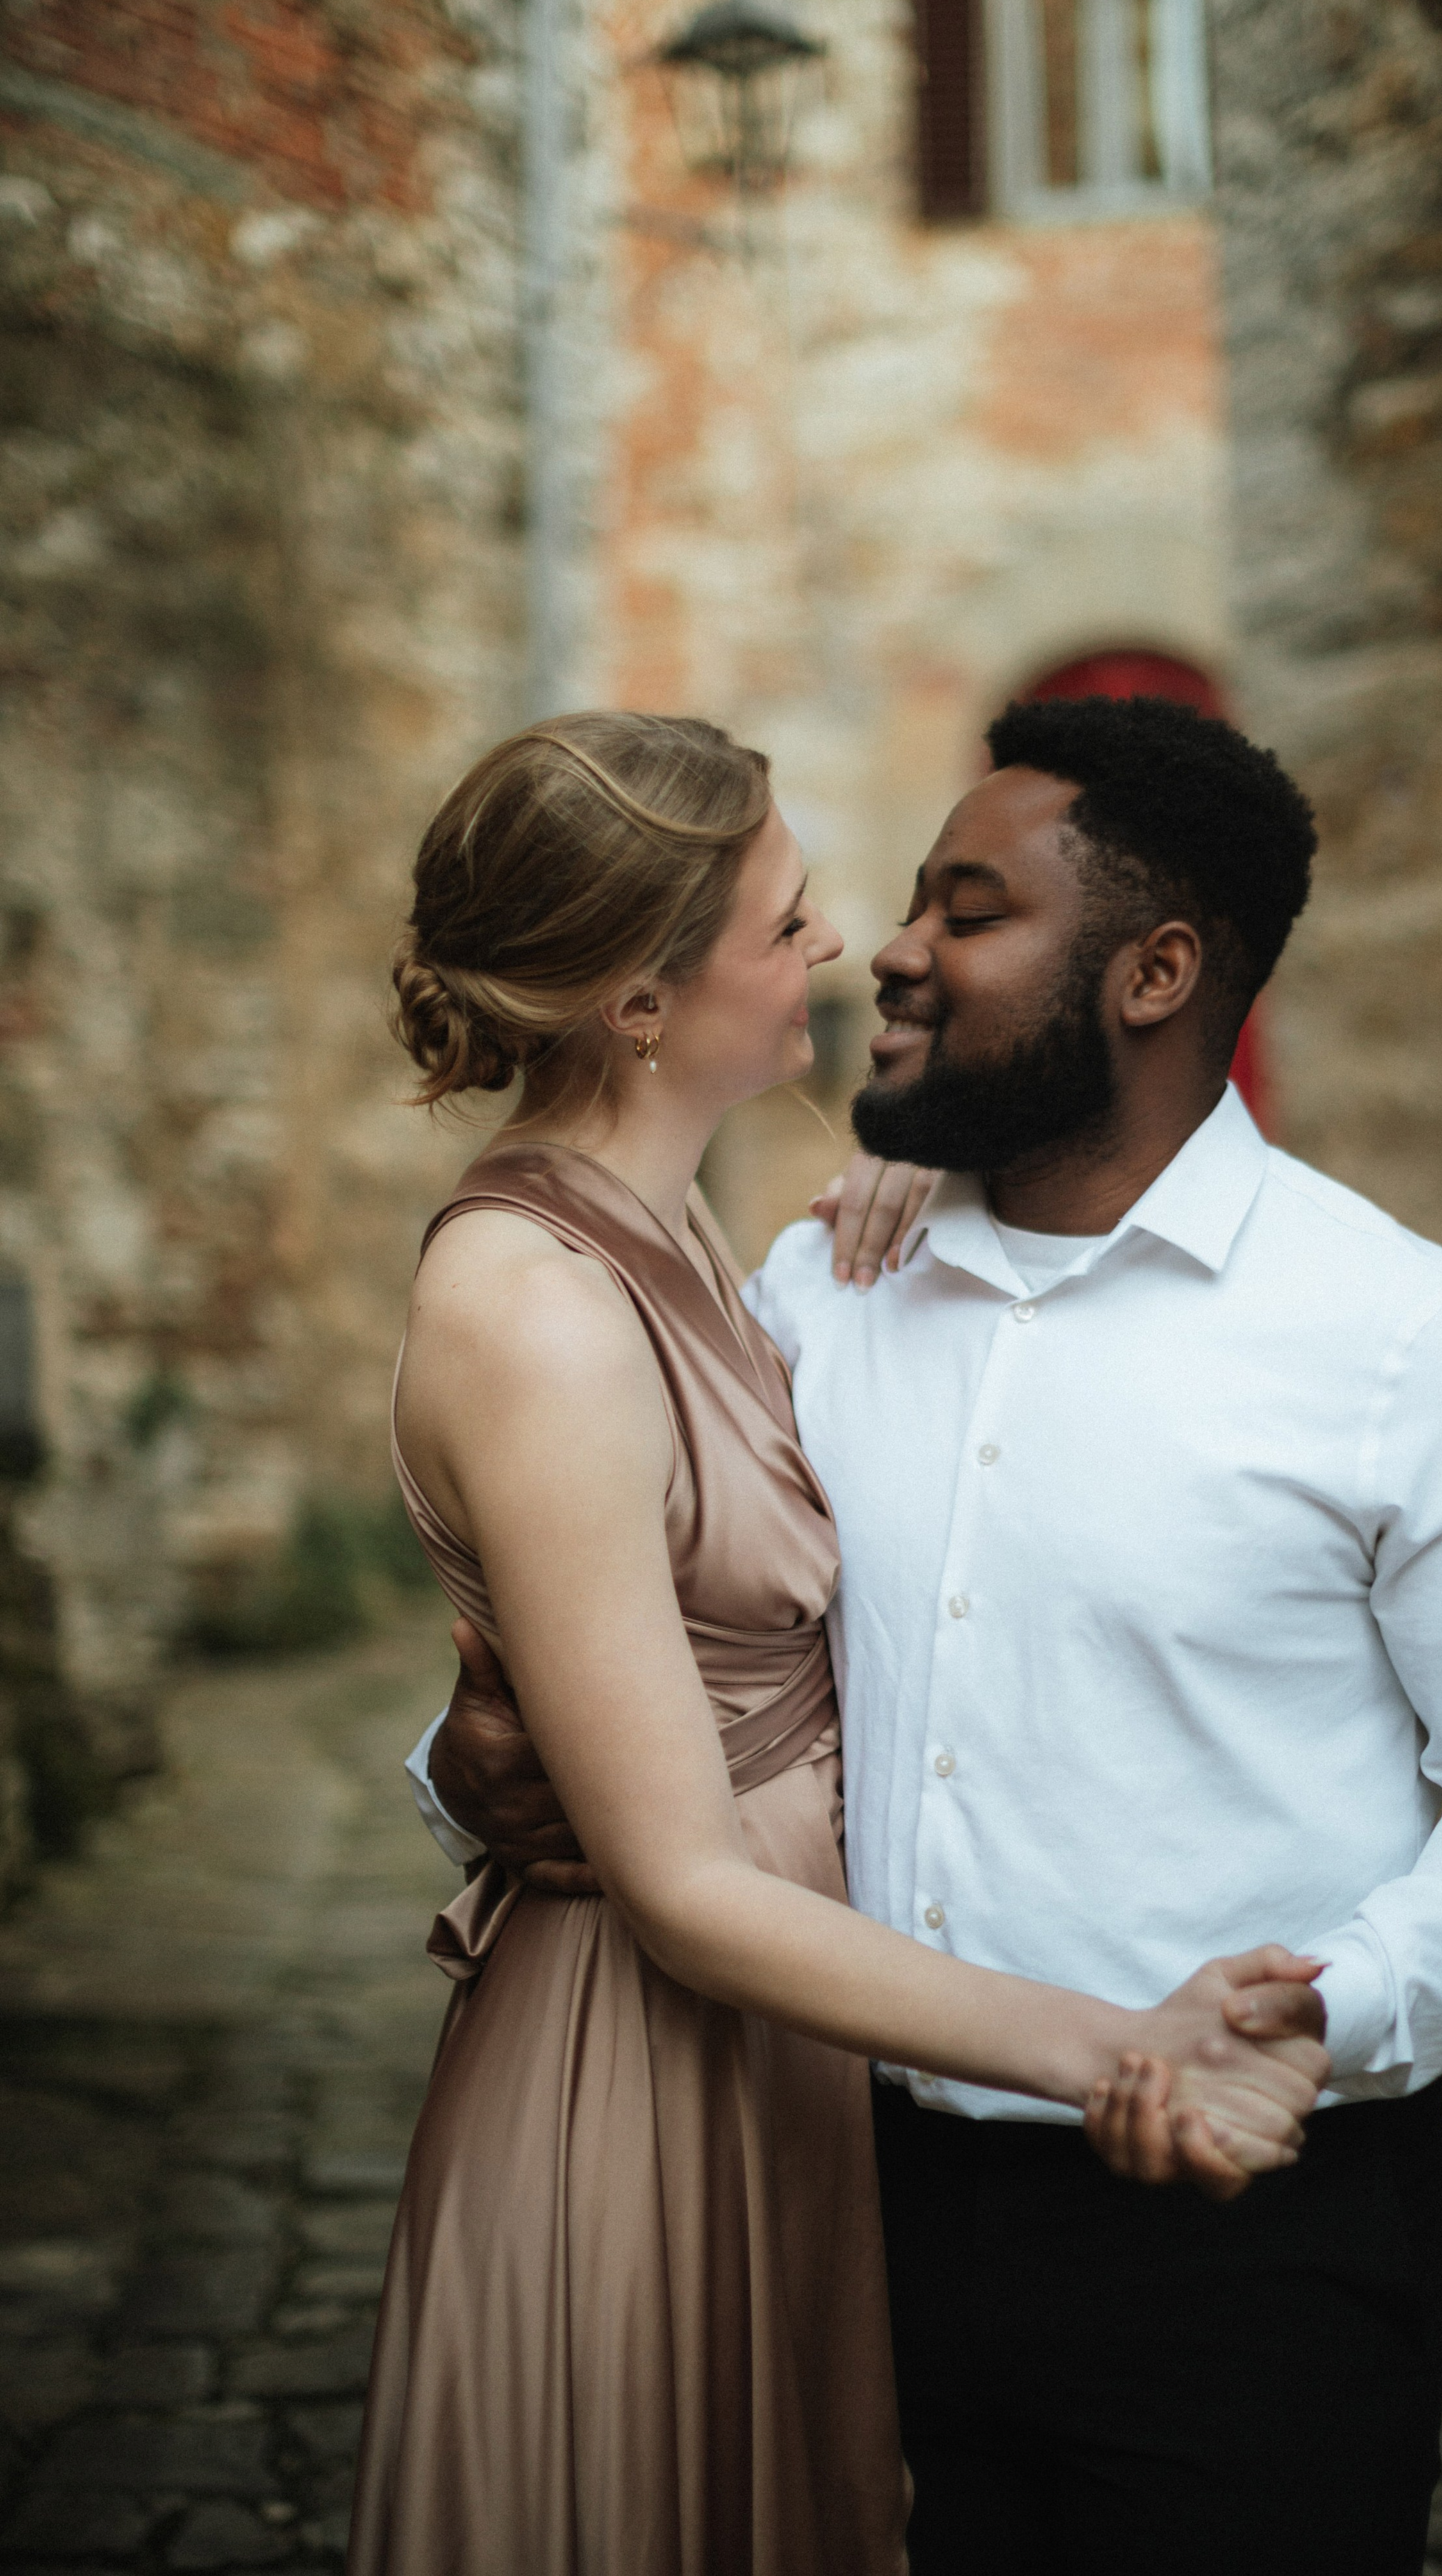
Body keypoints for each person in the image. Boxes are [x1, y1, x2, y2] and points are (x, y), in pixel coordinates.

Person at [422, 695, 1442, 2576]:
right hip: (843, 2198)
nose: (896, 952)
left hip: (1240, 2241)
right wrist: (471, 1765)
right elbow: (661, 1649)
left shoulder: (1416, 1343)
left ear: (1155, 972)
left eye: (969, 907)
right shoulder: (816, 1294)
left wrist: (1327, 2008)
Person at [347, 710, 1332, 2576]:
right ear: (642, 999)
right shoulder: (535, 1305)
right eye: (786, 923)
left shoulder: (701, 1238)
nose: (840, 955)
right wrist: (1122, 2050)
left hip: (784, 2070)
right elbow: (687, 1882)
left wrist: (948, 1169)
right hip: (637, 2074)